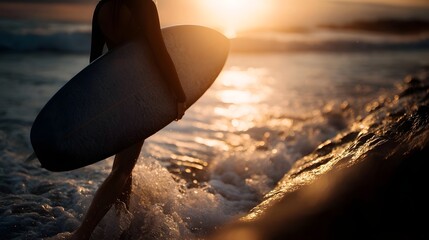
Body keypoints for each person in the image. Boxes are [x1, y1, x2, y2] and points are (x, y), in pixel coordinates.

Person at [69, 0, 186, 239]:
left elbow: (94, 63)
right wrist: (179, 93)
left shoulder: (102, 6)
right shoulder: (143, 4)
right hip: (136, 93)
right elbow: (158, 50)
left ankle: (122, 228)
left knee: (124, 167)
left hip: (113, 94)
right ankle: (83, 232)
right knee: (122, 169)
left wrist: (97, 104)